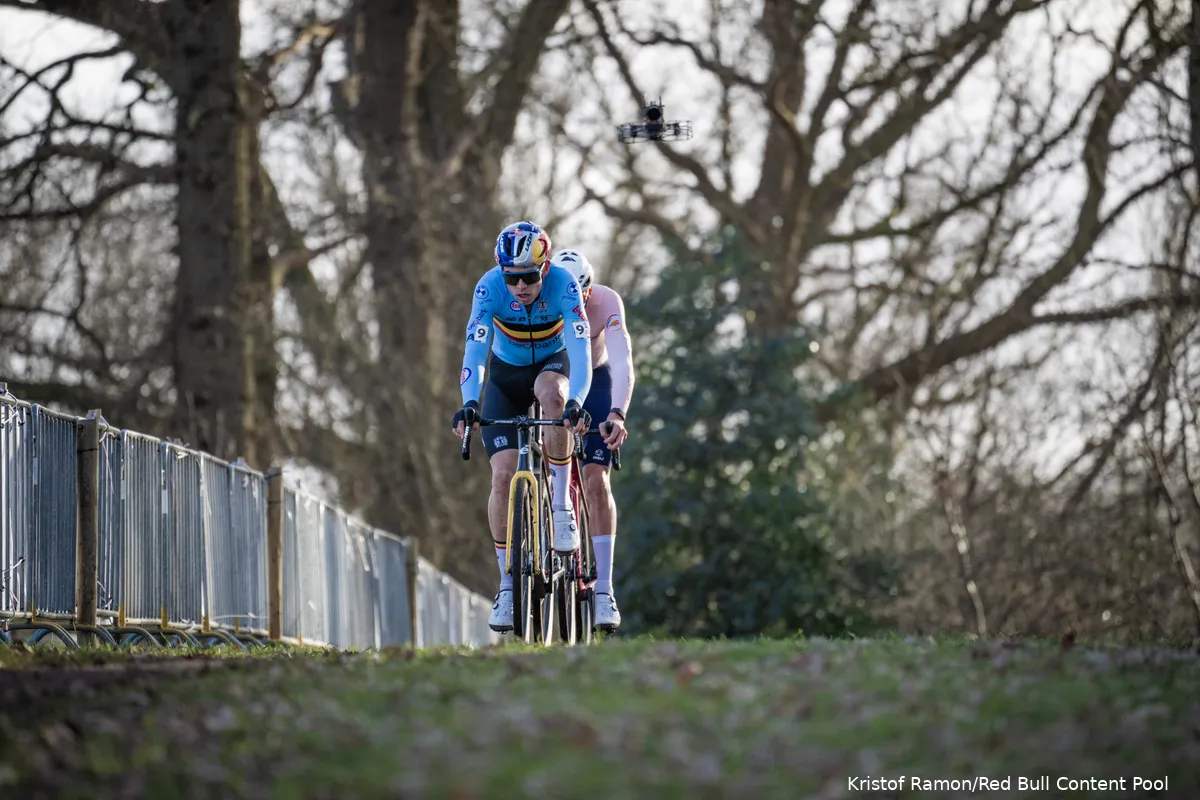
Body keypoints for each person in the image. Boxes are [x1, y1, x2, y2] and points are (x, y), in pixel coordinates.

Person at [451, 220, 593, 633]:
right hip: (506, 376)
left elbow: (581, 352)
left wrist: (576, 401)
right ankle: (507, 585)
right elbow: (475, 349)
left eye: (529, 277)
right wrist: (470, 403)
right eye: (512, 278)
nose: (520, 287)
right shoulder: (488, 288)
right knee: (501, 478)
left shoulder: (564, 284)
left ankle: (562, 506)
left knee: (553, 395)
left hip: (552, 364)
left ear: (545, 268)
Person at [548, 248, 633, 631]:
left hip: (595, 379)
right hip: (554, 378)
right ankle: (549, 503)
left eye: (581, 295)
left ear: (589, 289)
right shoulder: (540, 297)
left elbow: (622, 361)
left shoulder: (606, 302)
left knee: (597, 481)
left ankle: (604, 590)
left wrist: (616, 413)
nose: (574, 303)